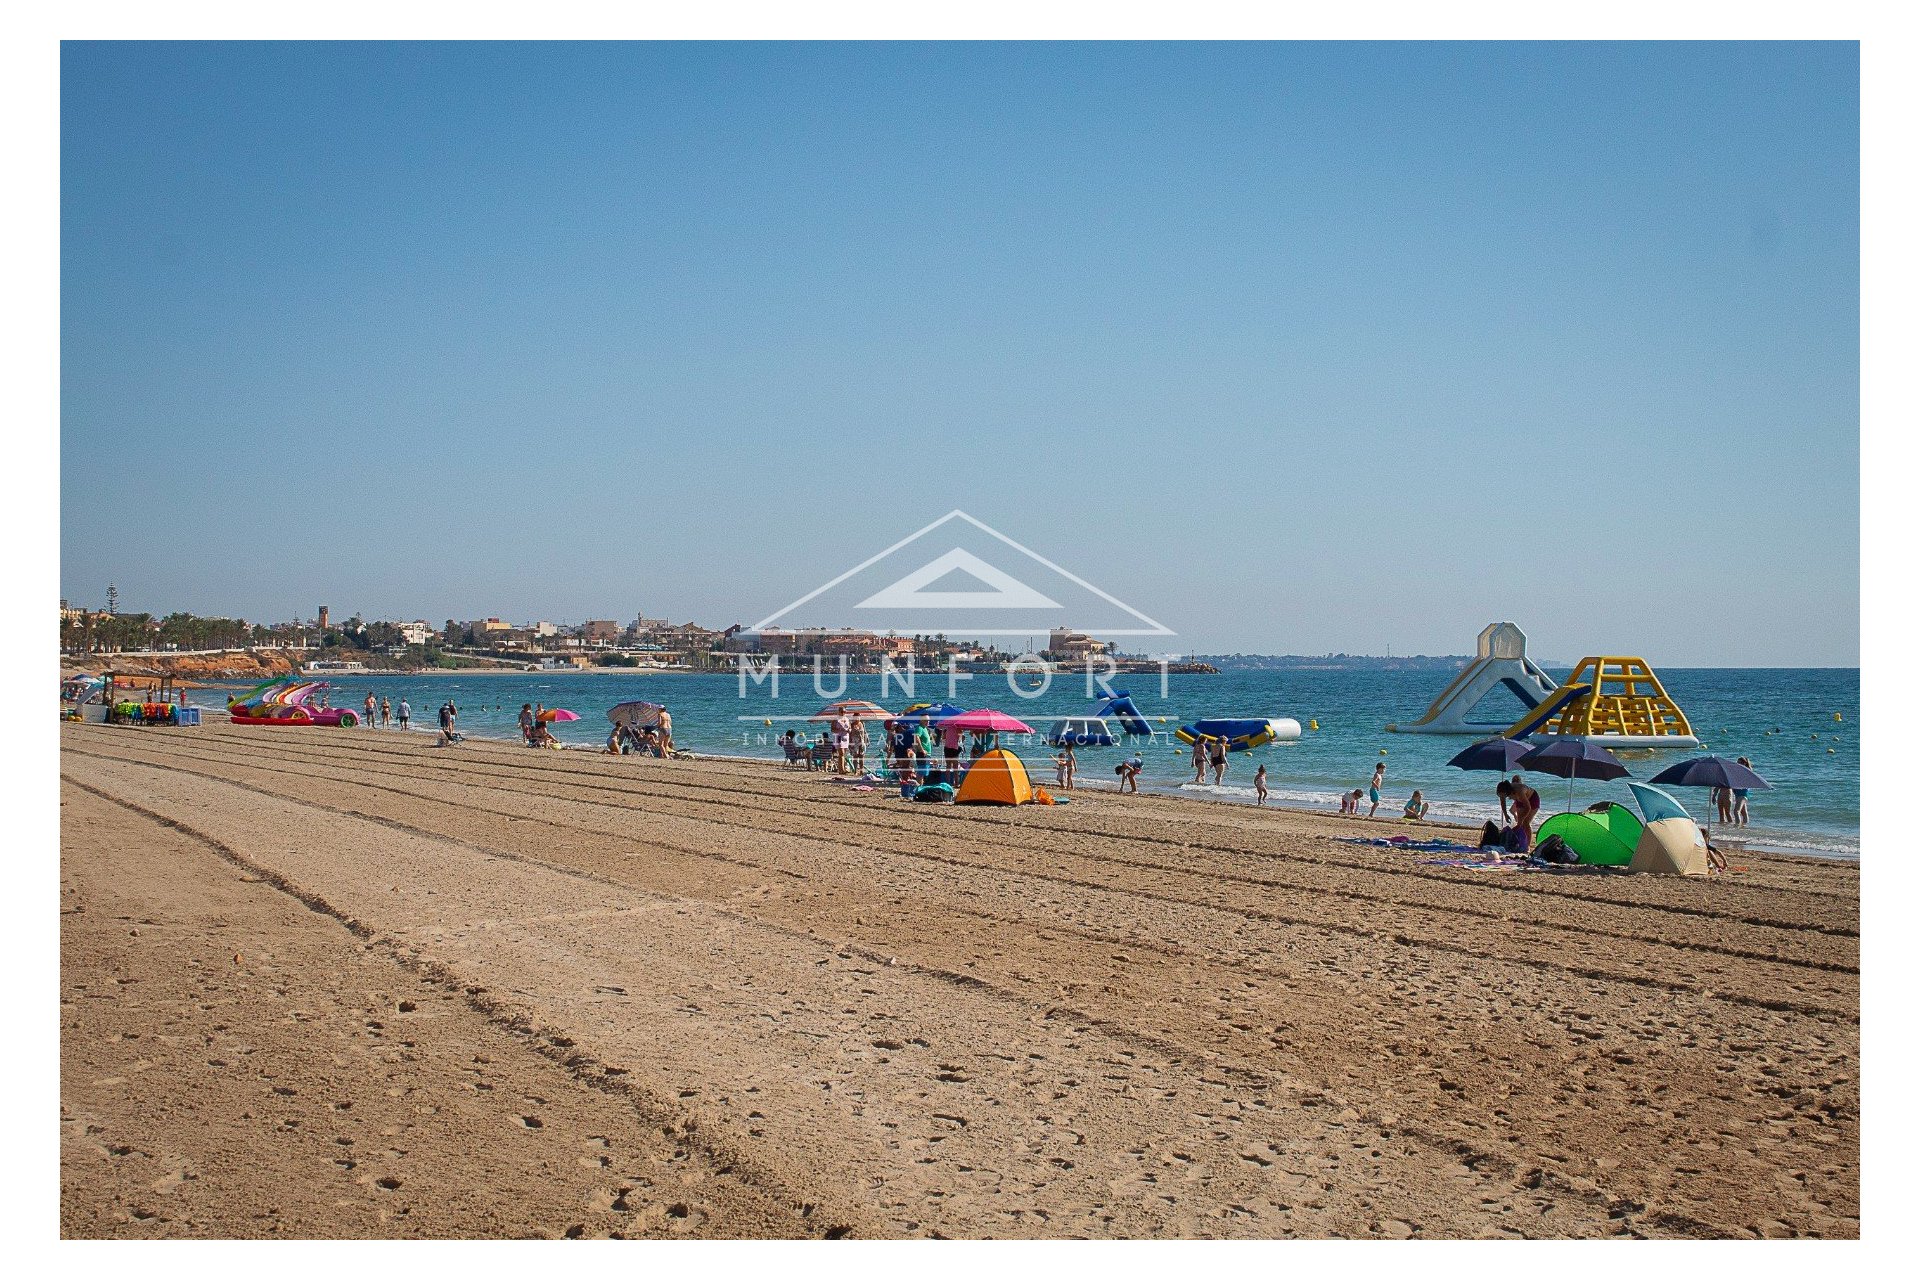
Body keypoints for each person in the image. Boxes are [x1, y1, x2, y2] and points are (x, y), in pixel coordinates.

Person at [1733, 758, 1754, 826]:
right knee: (1744, 812)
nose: (1737, 764)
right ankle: (1745, 826)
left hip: (1742, 793)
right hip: (1739, 793)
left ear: (1744, 763)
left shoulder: (1745, 771)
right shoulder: (1739, 771)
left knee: (1736, 811)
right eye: (1737, 762)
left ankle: (1737, 826)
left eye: (1739, 762)